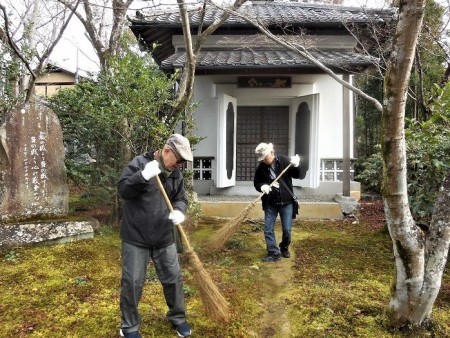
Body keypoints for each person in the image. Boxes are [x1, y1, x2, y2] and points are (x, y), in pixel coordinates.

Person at [118, 134, 193, 338]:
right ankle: (129, 327)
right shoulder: (140, 163)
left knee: (173, 279)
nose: (180, 165)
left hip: (164, 236)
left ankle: (178, 318)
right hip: (136, 236)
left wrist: (179, 210)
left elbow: (181, 198)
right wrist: (142, 176)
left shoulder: (174, 173)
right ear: (167, 151)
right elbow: (123, 190)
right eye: (178, 160)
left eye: (183, 163)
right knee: (132, 282)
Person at [253, 142, 302, 262]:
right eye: (262, 158)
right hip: (270, 203)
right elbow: (257, 183)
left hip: (286, 202)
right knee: (268, 228)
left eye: (265, 157)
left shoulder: (285, 161)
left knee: (287, 229)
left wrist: (296, 165)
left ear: (272, 153)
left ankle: (284, 247)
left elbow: (298, 175)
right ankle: (273, 253)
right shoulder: (261, 167)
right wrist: (262, 186)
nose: (264, 160)